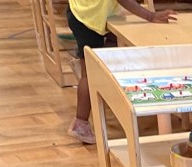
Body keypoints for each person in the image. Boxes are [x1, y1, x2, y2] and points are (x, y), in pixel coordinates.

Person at [66, 0, 176, 144]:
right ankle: (80, 124)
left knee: (109, 47)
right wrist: (150, 16)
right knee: (89, 75)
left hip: (86, 13)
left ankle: (103, 82)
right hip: (87, 19)